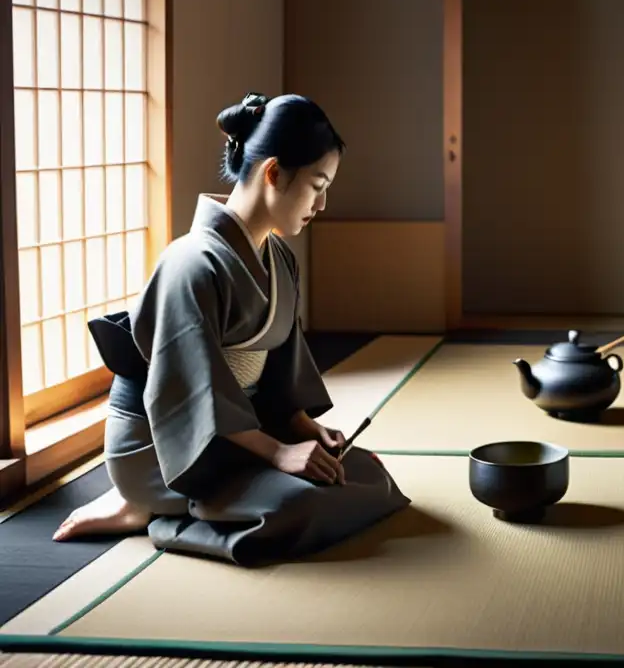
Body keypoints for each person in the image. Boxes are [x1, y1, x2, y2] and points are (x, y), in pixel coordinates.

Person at [51, 92, 411, 566]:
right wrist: (280, 454)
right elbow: (191, 390)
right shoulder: (190, 262)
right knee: (296, 504)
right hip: (167, 446)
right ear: (274, 173)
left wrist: (304, 428)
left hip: (236, 432)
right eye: (317, 185)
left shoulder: (278, 256)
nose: (322, 204)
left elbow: (281, 367)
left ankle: (219, 498)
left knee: (365, 475)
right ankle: (146, 508)